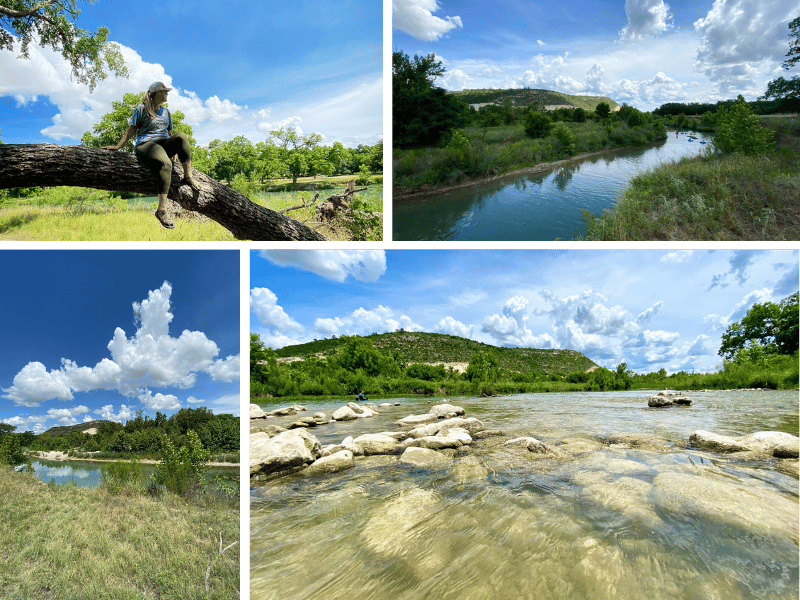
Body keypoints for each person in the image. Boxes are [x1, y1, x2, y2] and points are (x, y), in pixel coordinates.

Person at [103, 82, 197, 229]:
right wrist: (117, 146)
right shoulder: (142, 109)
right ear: (156, 93)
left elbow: (170, 133)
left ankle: (188, 177)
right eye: (164, 91)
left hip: (164, 144)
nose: (167, 93)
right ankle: (161, 210)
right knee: (166, 165)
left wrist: (176, 151)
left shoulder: (166, 112)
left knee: (182, 136)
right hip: (146, 145)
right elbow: (131, 130)